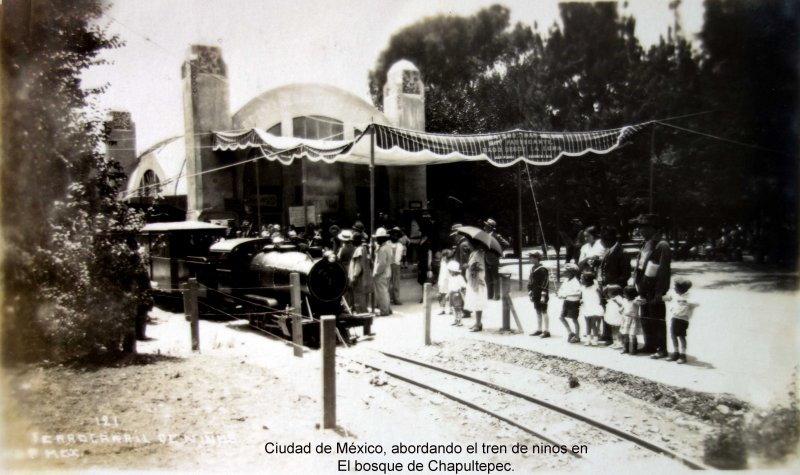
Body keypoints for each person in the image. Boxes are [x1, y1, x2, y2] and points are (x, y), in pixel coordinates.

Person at [631, 214, 672, 358]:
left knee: (657, 318)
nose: (641, 231)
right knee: (646, 318)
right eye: (640, 227)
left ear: (654, 228)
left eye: (644, 228)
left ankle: (661, 348)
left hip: (654, 289)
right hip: (643, 286)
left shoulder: (662, 245)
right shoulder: (645, 243)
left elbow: (663, 270)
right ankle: (650, 344)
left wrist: (659, 291)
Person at [597, 226, 631, 345]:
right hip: (606, 288)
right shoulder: (609, 251)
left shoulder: (622, 253)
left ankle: (617, 338)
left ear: (608, 239)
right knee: (607, 311)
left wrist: (612, 286)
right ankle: (607, 335)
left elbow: (626, 274)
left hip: (615, 290)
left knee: (616, 312)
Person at [663, 278, 699, 364]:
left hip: (683, 319)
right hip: (674, 318)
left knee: (681, 336)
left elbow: (696, 303)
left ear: (681, 288)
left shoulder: (688, 297)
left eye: (675, 287)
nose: (674, 288)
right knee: (673, 335)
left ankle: (683, 355)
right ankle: (676, 353)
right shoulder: (676, 295)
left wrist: (689, 304)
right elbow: (667, 298)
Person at [463, 239, 488, 332]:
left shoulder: (478, 254)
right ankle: (477, 322)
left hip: (477, 281)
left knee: (478, 301)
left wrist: (469, 267)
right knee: (475, 301)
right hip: (473, 280)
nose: (468, 246)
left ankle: (478, 323)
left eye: (469, 244)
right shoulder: (474, 253)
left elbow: (477, 266)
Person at [482, 218, 509, 300]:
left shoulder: (496, 236)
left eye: (486, 226)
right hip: (485, 258)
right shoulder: (485, 235)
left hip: (493, 259)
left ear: (490, 227)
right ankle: (489, 295)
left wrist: (498, 251)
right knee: (487, 278)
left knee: (495, 278)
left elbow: (506, 244)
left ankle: (496, 296)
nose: (484, 227)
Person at [527, 251, 550, 338]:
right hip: (535, 292)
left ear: (537, 259)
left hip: (542, 293)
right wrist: (529, 291)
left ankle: (547, 330)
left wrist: (543, 294)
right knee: (537, 310)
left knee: (544, 310)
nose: (530, 260)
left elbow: (545, 282)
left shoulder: (543, 269)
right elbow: (530, 281)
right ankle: (539, 329)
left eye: (532, 258)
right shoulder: (532, 268)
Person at [557, 264, 582, 343]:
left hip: (574, 302)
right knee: (561, 317)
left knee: (574, 319)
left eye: (565, 272)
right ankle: (570, 332)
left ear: (571, 273)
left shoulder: (575, 281)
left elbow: (579, 293)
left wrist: (566, 295)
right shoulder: (566, 280)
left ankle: (577, 337)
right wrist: (559, 294)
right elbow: (561, 289)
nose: (564, 273)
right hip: (567, 301)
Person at [349, 232, 372, 313]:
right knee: (364, 296)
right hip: (365, 276)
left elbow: (358, 266)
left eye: (353, 240)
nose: (352, 242)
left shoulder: (359, 250)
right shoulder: (364, 248)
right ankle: (364, 311)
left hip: (360, 278)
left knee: (359, 296)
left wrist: (354, 277)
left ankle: (361, 313)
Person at [372, 227, 393, 316]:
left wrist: (376, 273)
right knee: (385, 291)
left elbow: (381, 264)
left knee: (382, 292)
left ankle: (384, 310)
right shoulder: (387, 247)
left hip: (382, 273)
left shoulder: (382, 249)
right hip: (388, 271)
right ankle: (387, 308)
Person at [579, 272, 604, 346]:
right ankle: (588, 339)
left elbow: (601, 298)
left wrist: (600, 304)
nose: (581, 280)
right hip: (586, 307)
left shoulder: (595, 288)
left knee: (593, 324)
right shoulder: (582, 288)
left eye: (582, 279)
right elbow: (582, 296)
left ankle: (595, 339)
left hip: (595, 307)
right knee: (587, 324)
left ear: (587, 280)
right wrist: (581, 300)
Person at [620, 286, 643, 355]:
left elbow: (642, 303)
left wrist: (640, 299)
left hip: (633, 320)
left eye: (625, 294)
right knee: (625, 334)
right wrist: (621, 310)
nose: (624, 295)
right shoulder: (624, 301)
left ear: (631, 295)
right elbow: (622, 307)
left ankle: (634, 349)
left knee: (633, 335)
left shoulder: (635, 301)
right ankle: (625, 348)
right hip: (626, 319)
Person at [603, 285, 625, 349]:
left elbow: (622, 306)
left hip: (617, 316)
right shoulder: (611, 298)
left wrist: (616, 302)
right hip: (612, 315)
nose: (607, 294)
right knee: (613, 329)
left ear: (614, 292)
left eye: (609, 292)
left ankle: (619, 342)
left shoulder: (619, 298)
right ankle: (614, 342)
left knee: (618, 329)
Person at [446, 261, 467, 326]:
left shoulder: (459, 277)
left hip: (457, 294)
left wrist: (462, 290)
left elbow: (464, 285)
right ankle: (455, 319)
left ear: (455, 271)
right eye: (449, 271)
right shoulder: (450, 278)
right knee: (453, 308)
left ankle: (460, 320)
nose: (449, 272)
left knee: (458, 308)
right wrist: (447, 294)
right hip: (452, 294)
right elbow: (449, 287)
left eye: (450, 271)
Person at [417, 231, 434, 303]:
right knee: (422, 280)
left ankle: (426, 297)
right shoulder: (421, 241)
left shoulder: (428, 242)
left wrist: (429, 265)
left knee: (426, 280)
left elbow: (429, 254)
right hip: (421, 263)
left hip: (425, 264)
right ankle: (424, 296)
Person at [389, 227, 404, 305]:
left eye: (396, 235)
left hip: (396, 265)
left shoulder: (400, 245)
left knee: (396, 282)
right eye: (393, 235)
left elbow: (401, 256)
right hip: (388, 265)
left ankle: (396, 298)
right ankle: (389, 298)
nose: (395, 236)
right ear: (391, 235)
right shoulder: (388, 243)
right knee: (388, 282)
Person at [436, 249, 453, 315]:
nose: (443, 258)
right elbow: (441, 272)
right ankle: (442, 309)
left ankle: (451, 309)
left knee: (450, 294)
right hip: (442, 280)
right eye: (443, 256)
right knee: (442, 294)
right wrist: (439, 281)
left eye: (445, 256)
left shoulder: (451, 263)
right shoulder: (442, 262)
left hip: (449, 280)